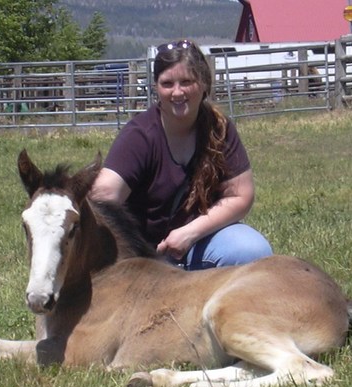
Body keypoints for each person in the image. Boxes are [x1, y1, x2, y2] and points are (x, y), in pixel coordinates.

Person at [90, 39, 272, 270]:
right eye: (167, 83)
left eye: (186, 82)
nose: (177, 92)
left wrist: (189, 232)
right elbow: (103, 197)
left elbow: (240, 196)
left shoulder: (220, 129)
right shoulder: (139, 136)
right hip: (146, 257)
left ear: (204, 83)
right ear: (156, 87)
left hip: (201, 241)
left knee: (252, 250)